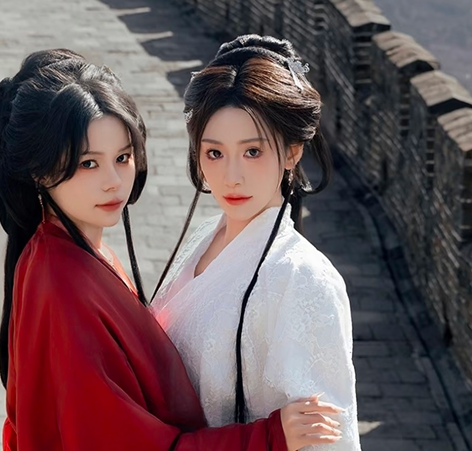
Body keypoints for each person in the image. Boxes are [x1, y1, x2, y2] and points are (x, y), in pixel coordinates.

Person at [0, 49, 344, 451]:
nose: (114, 182)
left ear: (292, 152)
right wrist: (266, 438)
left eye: (122, 157)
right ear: (41, 170)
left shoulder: (80, 253)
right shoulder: (62, 282)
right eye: (87, 163)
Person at [151, 35, 361, 449]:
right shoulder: (203, 238)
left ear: (292, 152)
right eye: (214, 154)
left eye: (252, 152)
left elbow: (325, 439)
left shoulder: (301, 278)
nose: (231, 176)